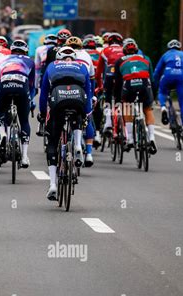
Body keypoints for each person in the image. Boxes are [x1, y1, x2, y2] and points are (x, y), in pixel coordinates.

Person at [40, 47, 92, 200]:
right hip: (78, 99)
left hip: (58, 101)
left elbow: (44, 93)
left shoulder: (52, 66)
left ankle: (53, 185)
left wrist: (43, 114)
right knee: (78, 116)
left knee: (52, 141)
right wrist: (87, 113)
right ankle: (77, 145)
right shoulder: (82, 66)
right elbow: (88, 92)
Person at [0, 40, 35, 168]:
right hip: (21, 86)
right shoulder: (29, 61)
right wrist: (31, 100)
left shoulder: (2, 60)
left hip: (5, 85)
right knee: (24, 120)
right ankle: (24, 157)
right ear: (26, 51)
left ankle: (3, 135)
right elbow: (32, 85)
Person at [114, 39, 157, 154]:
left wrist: (117, 99)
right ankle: (152, 137)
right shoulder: (145, 58)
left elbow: (117, 84)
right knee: (147, 109)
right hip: (144, 85)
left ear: (124, 51)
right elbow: (152, 80)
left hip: (129, 85)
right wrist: (154, 96)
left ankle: (131, 140)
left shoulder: (119, 61)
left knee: (127, 106)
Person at [65, 36, 96, 167]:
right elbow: (92, 78)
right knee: (87, 118)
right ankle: (89, 153)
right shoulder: (86, 56)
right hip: (82, 92)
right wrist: (92, 95)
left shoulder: (61, 56)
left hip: (64, 92)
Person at [154, 39, 183, 142]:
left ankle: (163, 107)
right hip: (181, 78)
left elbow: (157, 72)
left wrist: (155, 83)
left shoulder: (166, 55)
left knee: (162, 92)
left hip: (168, 76)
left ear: (169, 48)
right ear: (179, 47)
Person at [96, 32, 124, 135]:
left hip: (109, 76)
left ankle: (108, 122)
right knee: (121, 98)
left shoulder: (105, 51)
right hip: (122, 77)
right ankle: (124, 123)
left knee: (108, 97)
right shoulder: (124, 51)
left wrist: (100, 86)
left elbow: (98, 72)